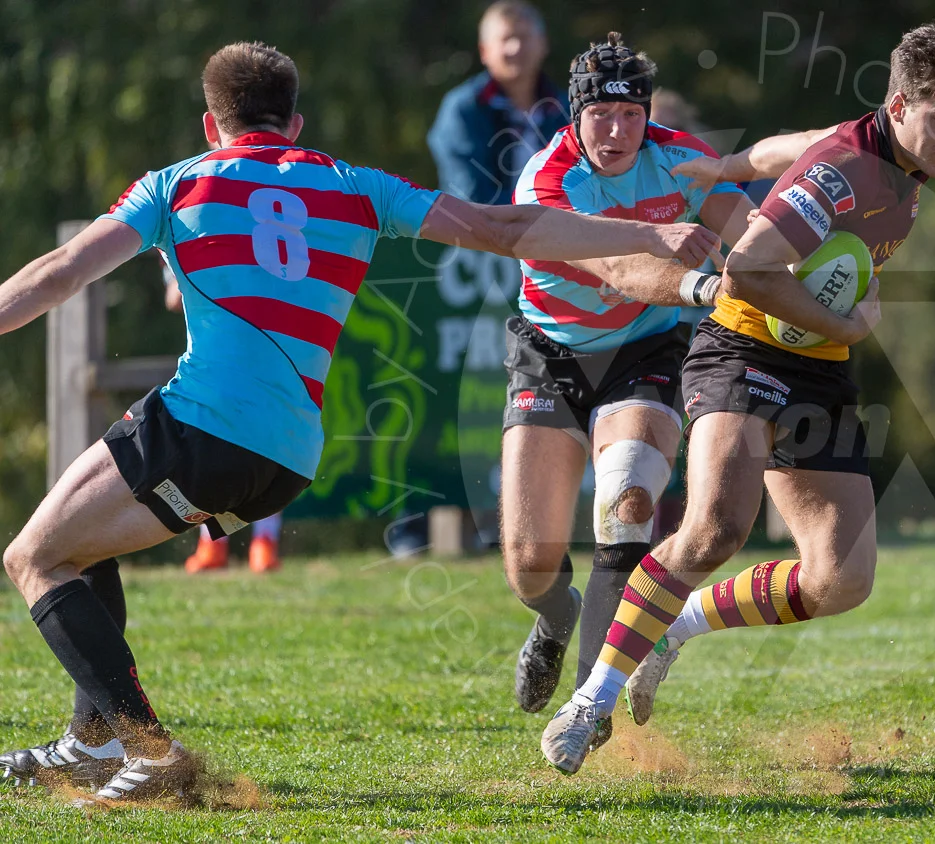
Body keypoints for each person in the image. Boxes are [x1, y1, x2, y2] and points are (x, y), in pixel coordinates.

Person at [0, 41, 718, 804]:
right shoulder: (355, 186)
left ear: (212, 126)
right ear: (297, 122)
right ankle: (92, 738)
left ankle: (142, 744)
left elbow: (60, 273)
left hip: (200, 423)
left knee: (33, 557)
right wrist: (645, 234)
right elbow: (510, 229)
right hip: (285, 457)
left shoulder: (176, 183)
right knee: (77, 549)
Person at [540, 20, 935, 775]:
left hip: (816, 369)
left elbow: (789, 146)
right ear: (899, 105)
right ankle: (591, 698)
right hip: (743, 346)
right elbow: (750, 270)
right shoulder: (848, 171)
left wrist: (723, 166)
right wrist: (849, 325)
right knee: (715, 529)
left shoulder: (893, 153)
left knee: (841, 580)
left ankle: (676, 628)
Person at [502, 33, 753, 750]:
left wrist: (818, 272)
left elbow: (753, 232)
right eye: (600, 116)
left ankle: (588, 705)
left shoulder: (680, 158)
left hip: (646, 348)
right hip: (550, 353)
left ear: (648, 115)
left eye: (630, 115)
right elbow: (617, 269)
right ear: (574, 118)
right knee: (528, 563)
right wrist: (703, 281)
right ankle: (555, 619)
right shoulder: (544, 183)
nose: (616, 131)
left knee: (627, 502)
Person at [161, 258, 286, 573]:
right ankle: (212, 544)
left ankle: (264, 543)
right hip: (212, 360)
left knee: (267, 444)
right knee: (211, 450)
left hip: (257, 350)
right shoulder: (175, 233)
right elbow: (173, 299)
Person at [427, 1, 569, 204]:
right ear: (484, 51)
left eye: (524, 37)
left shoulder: (565, 107)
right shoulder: (463, 109)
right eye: (506, 38)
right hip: (480, 233)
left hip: (559, 230)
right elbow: (470, 197)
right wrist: (540, 217)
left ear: (543, 44)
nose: (516, 47)